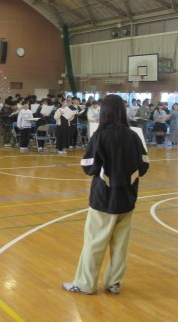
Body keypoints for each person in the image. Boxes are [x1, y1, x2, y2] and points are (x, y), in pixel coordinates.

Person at [62, 95, 149, 295]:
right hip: (128, 197)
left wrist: (105, 173)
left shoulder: (100, 135)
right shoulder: (133, 136)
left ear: (104, 112)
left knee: (95, 242)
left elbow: (88, 166)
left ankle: (85, 284)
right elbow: (144, 165)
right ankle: (114, 282)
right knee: (120, 244)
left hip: (104, 198)